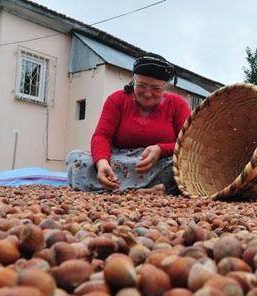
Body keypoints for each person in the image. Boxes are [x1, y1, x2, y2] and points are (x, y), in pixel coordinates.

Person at [66, 52, 191, 194]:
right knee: (76, 158)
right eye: (142, 85)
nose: (148, 93)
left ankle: (120, 190)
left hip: (159, 163)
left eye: (156, 88)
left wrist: (161, 149)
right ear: (133, 81)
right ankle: (150, 190)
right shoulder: (117, 100)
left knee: (184, 167)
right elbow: (102, 136)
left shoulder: (178, 104)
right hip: (120, 160)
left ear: (165, 87)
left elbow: (187, 145)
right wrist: (102, 163)